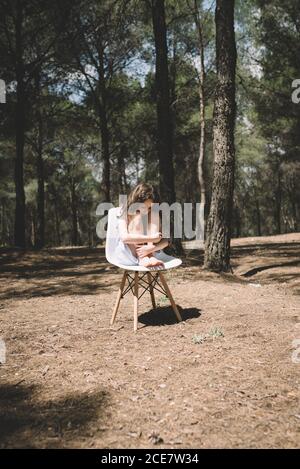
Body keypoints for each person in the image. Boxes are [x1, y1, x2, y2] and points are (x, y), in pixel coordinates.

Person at [115, 182, 169, 268]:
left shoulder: (152, 212)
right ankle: (142, 257)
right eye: (144, 207)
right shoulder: (124, 212)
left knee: (155, 212)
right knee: (138, 215)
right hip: (129, 253)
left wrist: (151, 249)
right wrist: (152, 238)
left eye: (149, 208)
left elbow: (165, 241)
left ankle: (150, 256)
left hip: (150, 252)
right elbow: (124, 238)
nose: (147, 211)